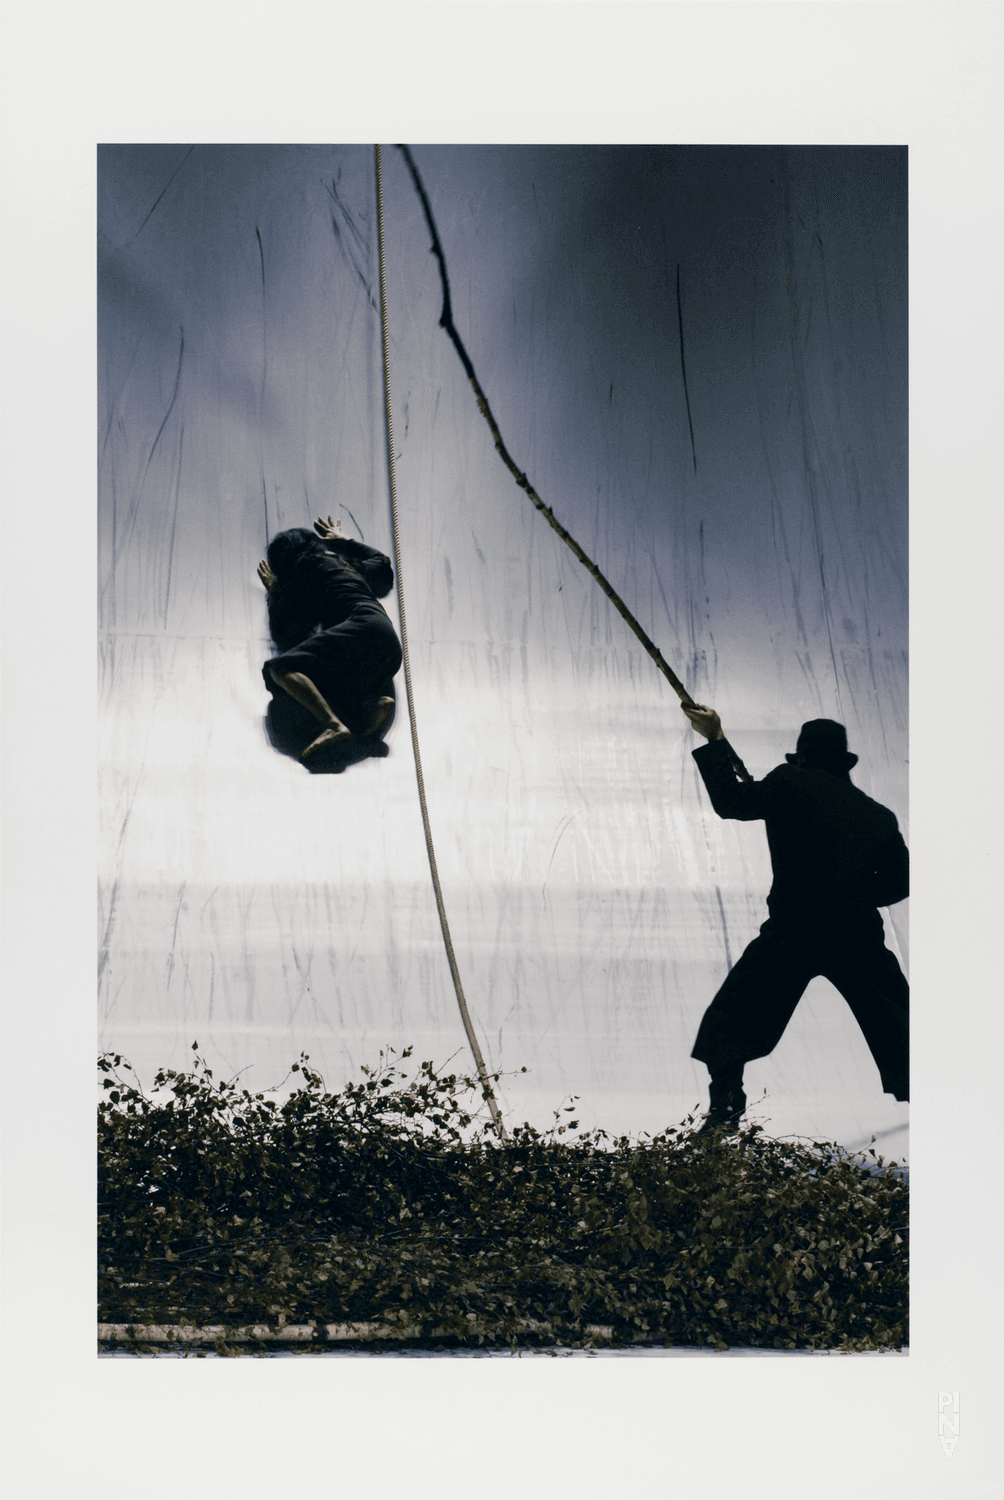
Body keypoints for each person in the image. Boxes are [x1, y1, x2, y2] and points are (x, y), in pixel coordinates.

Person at [680, 703, 909, 1133]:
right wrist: (854, 895)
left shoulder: (788, 784)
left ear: (801, 757)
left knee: (731, 1016)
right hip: (856, 934)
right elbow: (900, 883)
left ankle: (726, 1106)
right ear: (843, 763)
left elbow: (732, 802)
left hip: (794, 930)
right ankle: (951, 1104)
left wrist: (714, 738)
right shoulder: (877, 816)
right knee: (902, 1025)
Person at [258, 516, 402, 763]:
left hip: (361, 629)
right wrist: (342, 541)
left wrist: (274, 591)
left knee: (280, 669)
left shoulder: (304, 567)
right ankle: (373, 707)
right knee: (329, 682)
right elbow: (382, 564)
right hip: (388, 643)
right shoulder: (346, 565)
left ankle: (332, 725)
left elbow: (287, 630)